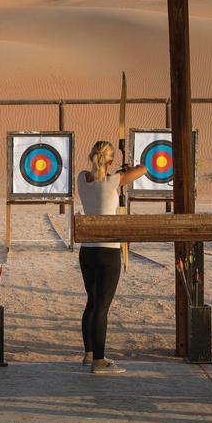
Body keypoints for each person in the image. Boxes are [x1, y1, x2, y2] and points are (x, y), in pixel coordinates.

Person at [77, 140, 146, 374]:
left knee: (92, 302)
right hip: (108, 252)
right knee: (102, 308)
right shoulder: (114, 181)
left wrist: (116, 171)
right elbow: (143, 169)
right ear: (109, 160)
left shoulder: (81, 179)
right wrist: (124, 170)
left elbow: (96, 177)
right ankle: (99, 361)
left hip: (87, 251)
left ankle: (88, 354)